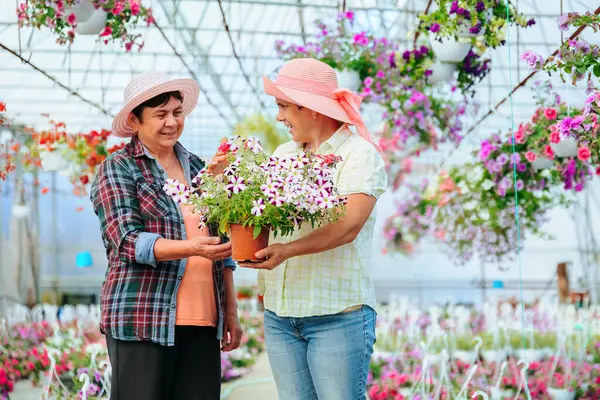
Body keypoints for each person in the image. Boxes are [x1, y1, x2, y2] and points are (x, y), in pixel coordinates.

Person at [239, 58, 388, 399]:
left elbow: (348, 225)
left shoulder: (359, 154)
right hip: (281, 315)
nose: (279, 116)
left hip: (338, 317)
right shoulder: (284, 153)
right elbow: (266, 217)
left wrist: (286, 251)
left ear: (312, 109)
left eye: (284, 106)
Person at [90, 72, 242, 400]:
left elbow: (224, 249)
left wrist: (230, 312)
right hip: (143, 318)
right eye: (160, 115)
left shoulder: (201, 170)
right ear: (135, 120)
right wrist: (193, 249)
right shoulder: (118, 168)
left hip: (203, 321)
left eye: (177, 112)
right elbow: (127, 240)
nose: (171, 122)